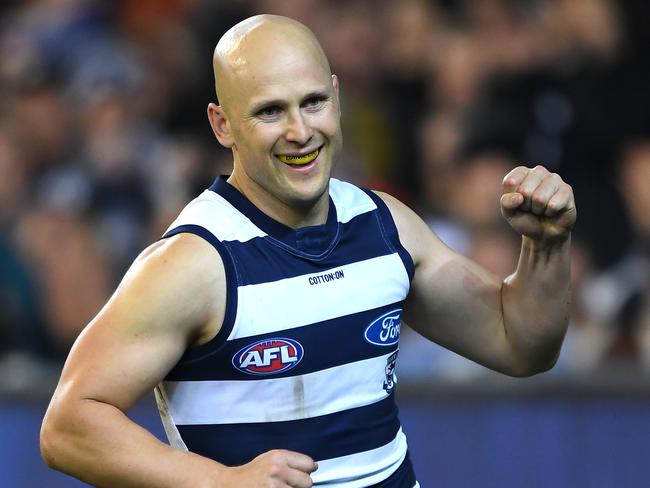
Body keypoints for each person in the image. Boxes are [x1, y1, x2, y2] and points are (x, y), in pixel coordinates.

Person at [40, 14, 576, 488]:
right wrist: (218, 483)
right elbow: (67, 426)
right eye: (271, 111)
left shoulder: (384, 224)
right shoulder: (194, 263)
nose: (300, 131)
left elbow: (520, 344)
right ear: (221, 124)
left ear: (337, 98)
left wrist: (545, 246)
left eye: (313, 102)